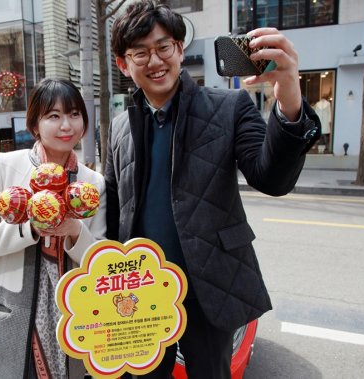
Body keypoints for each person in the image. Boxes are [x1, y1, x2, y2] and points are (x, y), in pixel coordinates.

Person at [105, 1, 320, 378]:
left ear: (180, 50)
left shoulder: (230, 106)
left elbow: (271, 178)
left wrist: (288, 95)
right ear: (124, 64)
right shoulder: (120, 126)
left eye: (164, 47)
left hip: (209, 288)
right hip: (141, 294)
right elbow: (113, 209)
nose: (155, 60)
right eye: (140, 52)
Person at [0, 78, 106, 379]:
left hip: (70, 314)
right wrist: (31, 228)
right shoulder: (5, 166)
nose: (66, 125)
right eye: (53, 116)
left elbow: (101, 257)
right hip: (10, 313)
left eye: (74, 114)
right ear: (35, 124)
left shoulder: (93, 183)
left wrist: (74, 230)